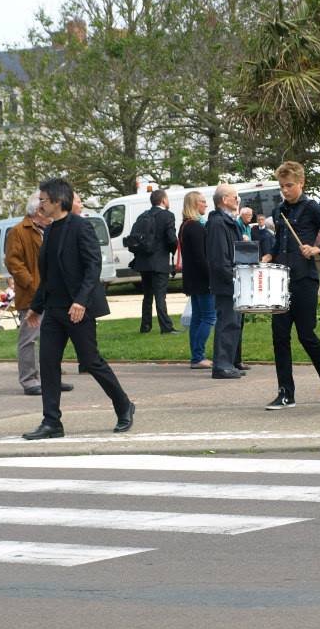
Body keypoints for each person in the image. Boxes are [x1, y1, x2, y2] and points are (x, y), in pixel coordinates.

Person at [22, 178, 135, 440]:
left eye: (43, 200)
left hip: (77, 309)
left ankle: (123, 405)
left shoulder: (81, 227)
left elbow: (92, 267)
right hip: (54, 309)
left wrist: (81, 301)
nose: (40, 204)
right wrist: (36, 308)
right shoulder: (49, 230)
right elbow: (47, 275)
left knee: (91, 361)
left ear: (58, 201)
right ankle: (52, 422)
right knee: (48, 363)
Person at [261, 161, 320, 409]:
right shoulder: (278, 212)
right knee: (279, 336)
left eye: (289, 186)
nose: (285, 190)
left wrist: (317, 248)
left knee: (306, 335)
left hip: (304, 279)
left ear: (301, 183)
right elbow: (278, 245)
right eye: (281, 186)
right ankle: (286, 392)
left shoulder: (312, 208)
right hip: (280, 282)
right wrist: (268, 255)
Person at [4, 192, 74, 396]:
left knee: (52, 338)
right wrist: (31, 284)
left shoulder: (51, 229)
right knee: (30, 338)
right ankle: (29, 380)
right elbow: (13, 263)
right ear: (37, 211)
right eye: (45, 209)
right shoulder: (18, 232)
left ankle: (51, 378)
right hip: (32, 296)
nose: (50, 213)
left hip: (52, 294)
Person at [205, 184, 245, 379]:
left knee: (233, 322)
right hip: (227, 282)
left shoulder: (227, 222)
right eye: (235, 197)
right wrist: (232, 277)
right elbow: (220, 258)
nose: (238, 201)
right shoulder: (218, 223)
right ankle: (221, 365)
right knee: (227, 322)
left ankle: (229, 362)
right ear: (224, 200)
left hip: (232, 280)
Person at [133, 189, 179, 335]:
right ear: (163, 200)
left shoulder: (143, 215)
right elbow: (172, 239)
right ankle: (166, 327)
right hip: (159, 261)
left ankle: (145, 326)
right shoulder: (167, 216)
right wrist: (172, 249)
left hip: (143, 261)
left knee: (147, 295)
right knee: (160, 295)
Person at [178, 191, 216, 370]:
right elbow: (202, 258)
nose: (205, 205)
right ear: (194, 204)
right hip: (202, 279)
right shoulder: (196, 227)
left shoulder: (185, 225)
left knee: (198, 317)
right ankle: (198, 356)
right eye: (202, 202)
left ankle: (196, 355)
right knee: (209, 317)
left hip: (192, 278)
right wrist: (212, 277)